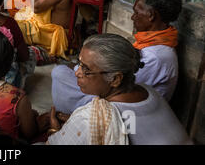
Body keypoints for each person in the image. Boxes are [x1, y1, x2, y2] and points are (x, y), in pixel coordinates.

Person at [51, 0, 183, 114]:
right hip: (121, 94)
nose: (132, 17)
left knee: (60, 74)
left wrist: (85, 71)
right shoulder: (155, 42)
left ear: (151, 16)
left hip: (129, 109)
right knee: (64, 72)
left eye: (137, 12)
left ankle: (70, 117)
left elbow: (120, 87)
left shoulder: (155, 57)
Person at [44, 33, 192, 145]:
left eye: (86, 69)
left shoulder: (91, 117)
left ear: (115, 79)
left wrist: (55, 130)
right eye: (79, 64)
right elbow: (131, 126)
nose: (77, 72)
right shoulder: (147, 91)